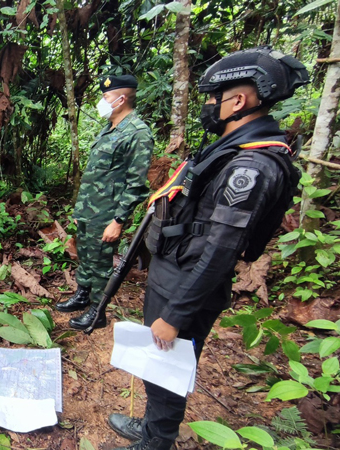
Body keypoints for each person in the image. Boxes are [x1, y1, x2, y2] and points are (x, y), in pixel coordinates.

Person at [107, 47, 307, 450]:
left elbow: (222, 249)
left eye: (213, 99)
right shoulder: (232, 148)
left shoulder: (251, 167)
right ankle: (152, 427)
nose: (208, 107)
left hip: (187, 285)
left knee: (166, 367)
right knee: (159, 367)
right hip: (175, 272)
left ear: (238, 100)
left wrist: (176, 314)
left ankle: (156, 441)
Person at [57, 74, 153, 330]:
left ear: (121, 99)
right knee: (87, 256)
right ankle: (83, 295)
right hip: (91, 210)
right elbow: (95, 173)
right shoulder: (109, 128)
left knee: (101, 263)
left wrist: (118, 221)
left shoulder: (137, 133)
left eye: (105, 97)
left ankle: (97, 312)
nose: (102, 102)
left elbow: (136, 184)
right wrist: (80, 210)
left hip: (108, 213)